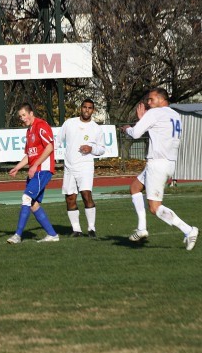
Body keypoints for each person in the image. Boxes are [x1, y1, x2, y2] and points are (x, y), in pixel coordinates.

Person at [120, 87, 198, 250]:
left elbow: (135, 133)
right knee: (135, 188)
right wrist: (144, 119)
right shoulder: (174, 114)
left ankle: (188, 230)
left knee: (155, 208)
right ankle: (141, 228)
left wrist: (127, 128)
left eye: (151, 99)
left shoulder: (155, 113)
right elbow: (159, 131)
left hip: (157, 164)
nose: (148, 102)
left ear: (162, 99)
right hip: (168, 163)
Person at [7, 103, 59, 244]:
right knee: (33, 204)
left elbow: (50, 147)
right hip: (36, 170)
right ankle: (52, 235)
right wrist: (17, 167)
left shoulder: (41, 125)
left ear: (31, 113)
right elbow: (29, 155)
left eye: (24, 115)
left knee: (26, 198)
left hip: (43, 169)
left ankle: (17, 236)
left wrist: (35, 165)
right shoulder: (29, 131)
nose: (22, 118)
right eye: (20, 116)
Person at [56, 99, 106, 238]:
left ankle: (91, 229)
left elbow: (102, 149)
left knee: (86, 195)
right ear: (81, 108)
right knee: (70, 198)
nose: (87, 110)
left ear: (93, 110)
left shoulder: (96, 128)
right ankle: (76, 229)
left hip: (85, 166)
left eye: (90, 108)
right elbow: (57, 141)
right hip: (69, 167)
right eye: (84, 107)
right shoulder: (69, 123)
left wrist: (91, 149)